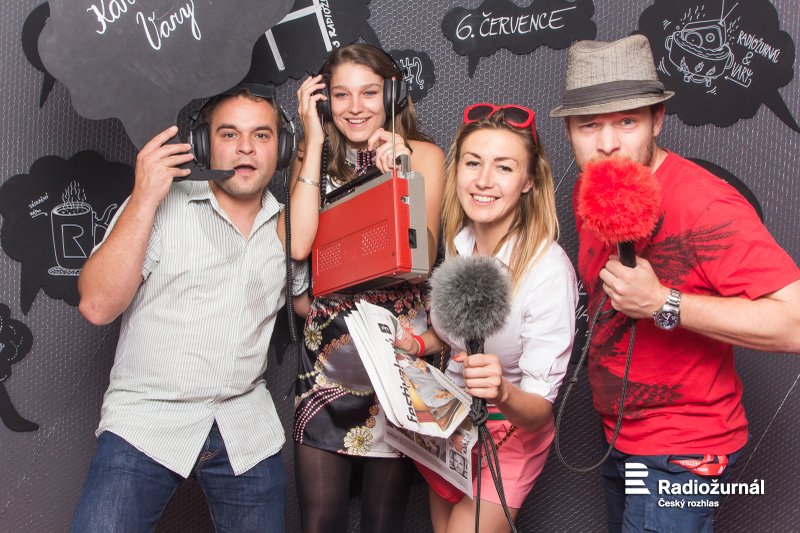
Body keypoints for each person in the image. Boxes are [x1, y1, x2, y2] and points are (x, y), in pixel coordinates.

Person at [550, 35, 800, 532]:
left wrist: (663, 301)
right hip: (619, 437)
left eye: (627, 121)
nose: (607, 144)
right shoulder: (592, 187)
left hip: (682, 449)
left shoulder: (705, 204)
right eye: (589, 124)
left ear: (658, 119)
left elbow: (795, 322)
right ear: (570, 131)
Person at [73, 84, 303, 532]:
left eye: (261, 135)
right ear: (202, 144)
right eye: (229, 134)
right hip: (147, 418)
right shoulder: (160, 205)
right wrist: (144, 197)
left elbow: (312, 305)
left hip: (244, 425)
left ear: (282, 148)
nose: (245, 148)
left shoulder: (288, 229)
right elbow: (98, 306)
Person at [396, 103, 578, 532]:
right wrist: (417, 343)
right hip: (452, 426)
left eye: (504, 167)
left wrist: (501, 391)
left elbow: (538, 411)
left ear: (529, 180)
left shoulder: (548, 270)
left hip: (511, 433)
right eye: (473, 162)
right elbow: (452, 337)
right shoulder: (458, 246)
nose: (483, 180)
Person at [288, 43, 446, 533]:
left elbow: (420, 262)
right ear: (324, 102)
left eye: (369, 93)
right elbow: (298, 245)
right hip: (327, 365)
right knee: (320, 522)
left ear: (392, 95)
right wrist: (312, 141)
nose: (354, 107)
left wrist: (402, 176)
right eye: (341, 95)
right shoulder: (310, 158)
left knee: (383, 522)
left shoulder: (423, 156)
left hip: (398, 360)